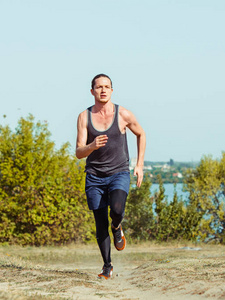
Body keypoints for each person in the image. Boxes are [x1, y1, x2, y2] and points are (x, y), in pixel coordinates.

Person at [76, 74, 146, 279]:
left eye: (107, 86)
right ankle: (107, 266)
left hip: (119, 172)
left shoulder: (123, 114)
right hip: (94, 176)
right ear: (92, 91)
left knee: (116, 209)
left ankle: (117, 226)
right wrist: (92, 146)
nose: (103, 90)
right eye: (99, 87)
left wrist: (139, 165)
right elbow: (79, 152)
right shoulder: (84, 117)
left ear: (112, 90)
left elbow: (141, 134)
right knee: (99, 222)